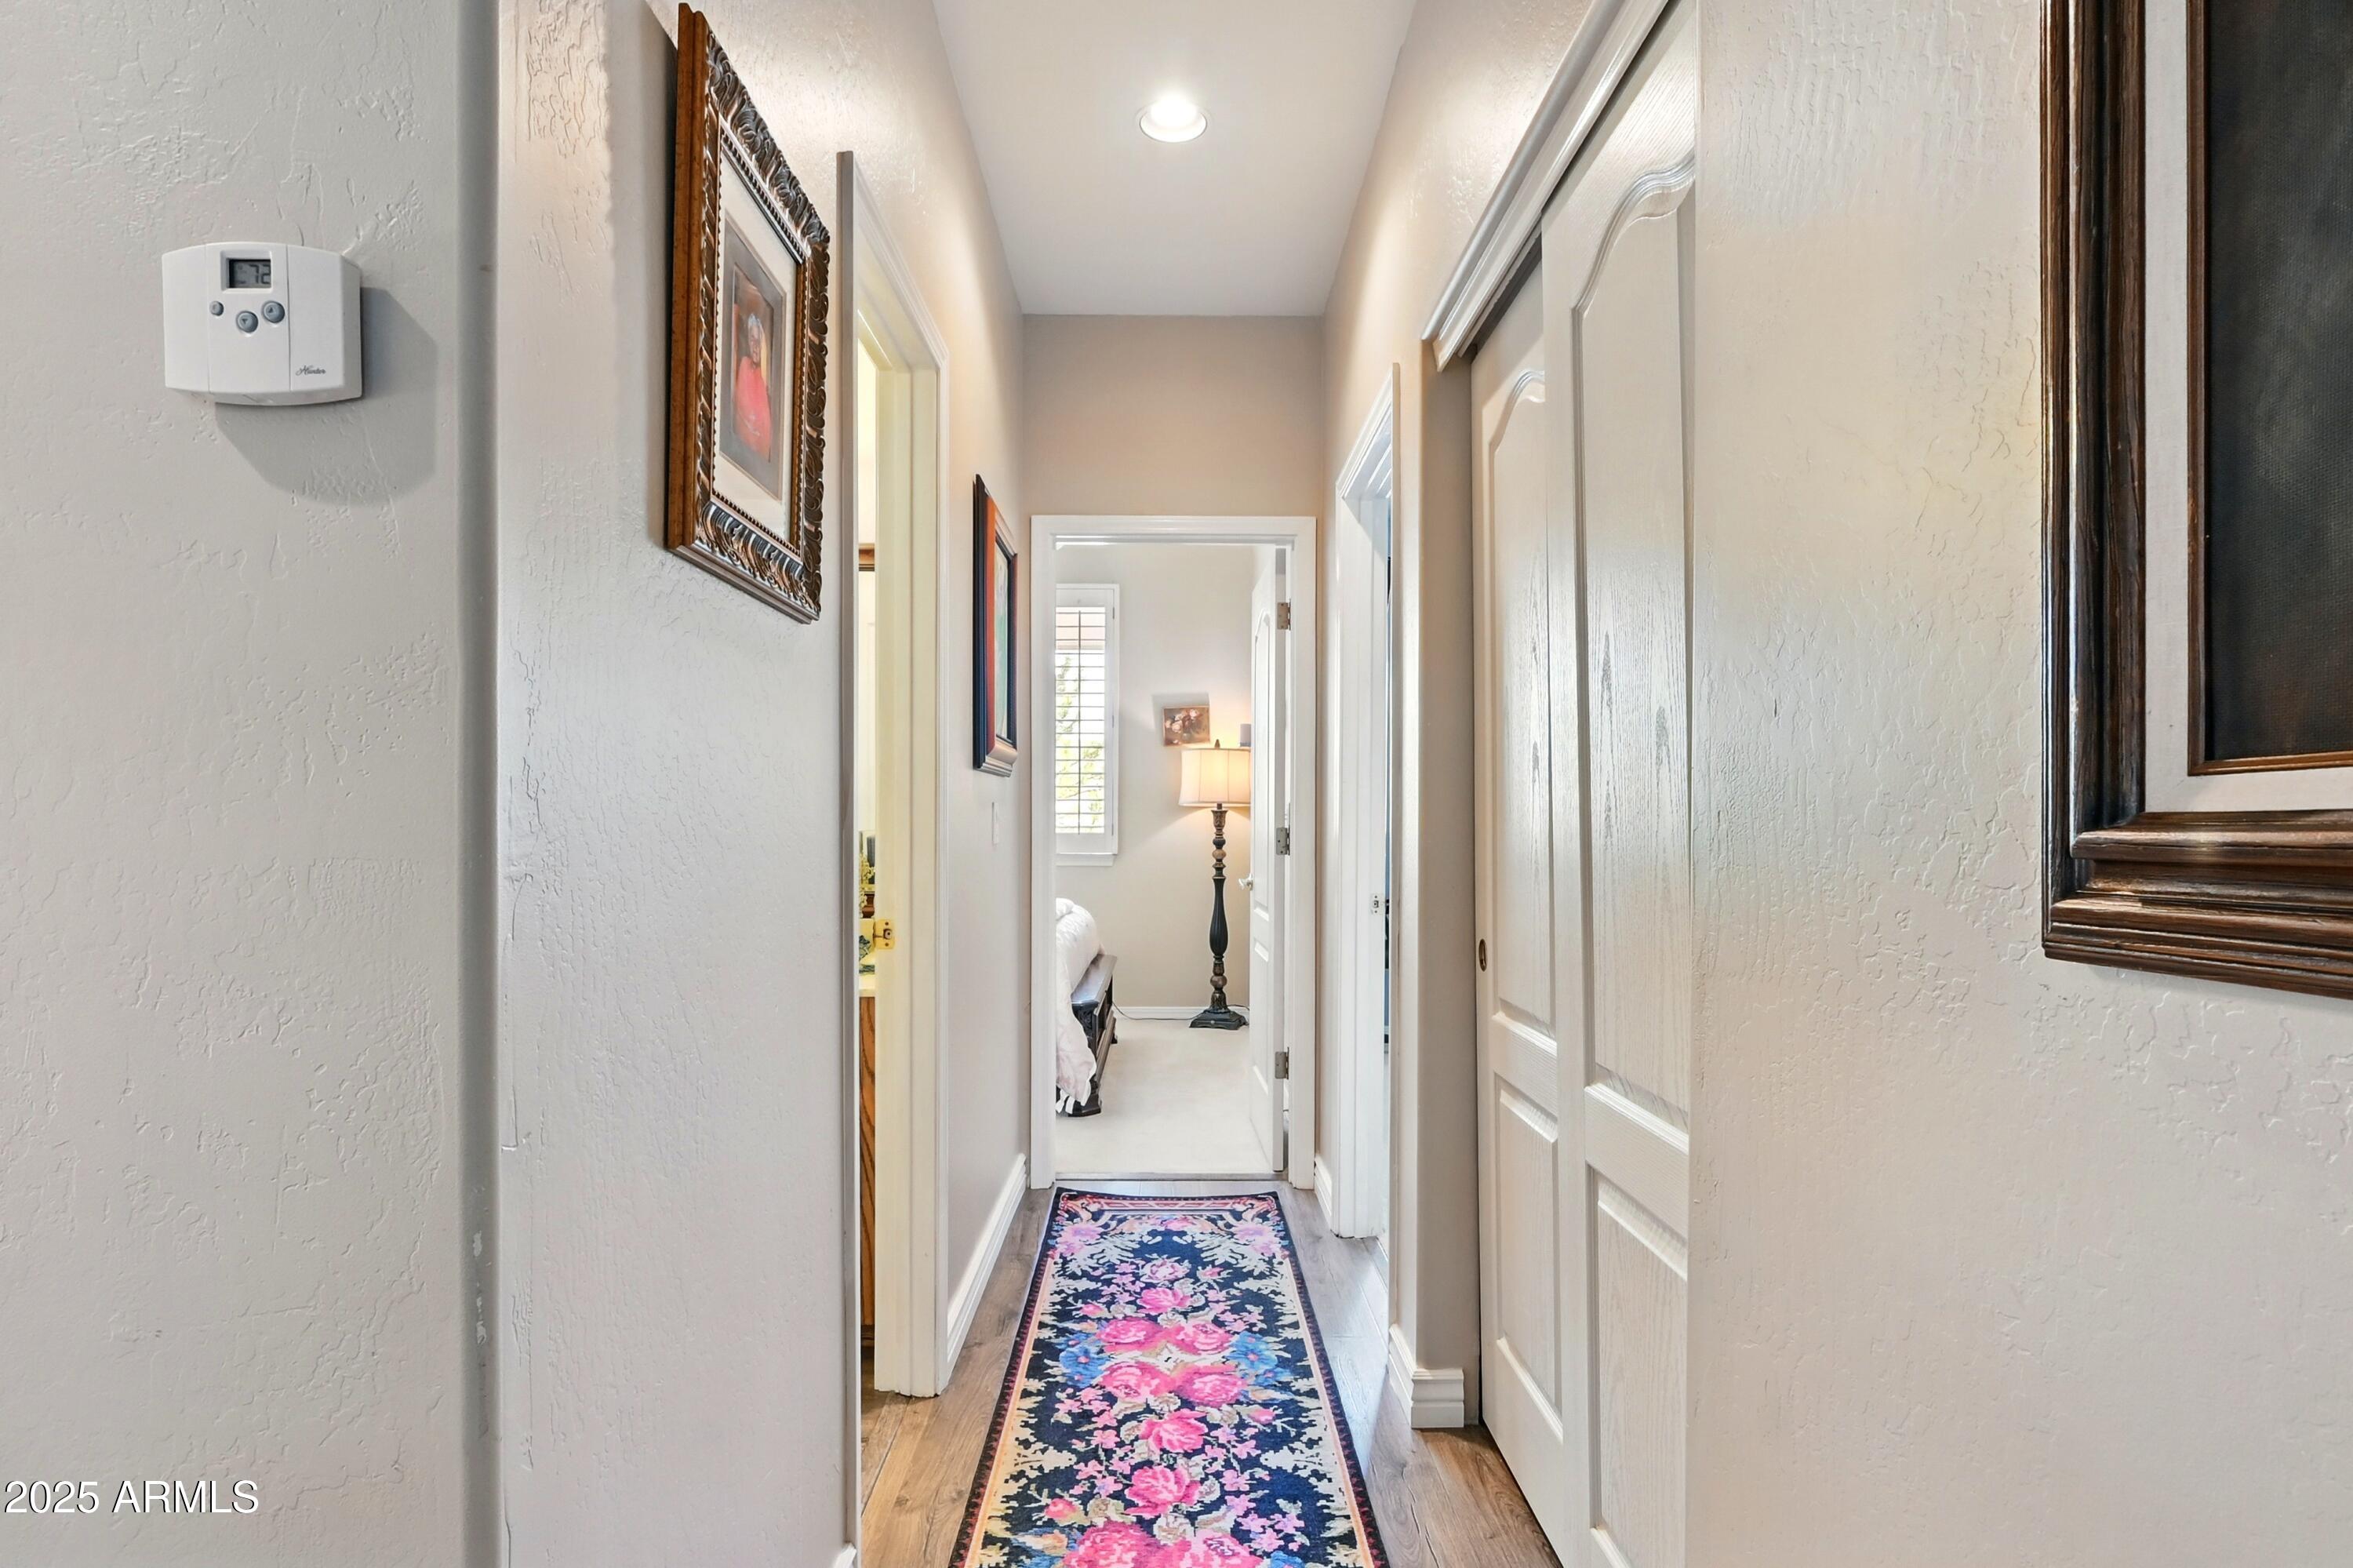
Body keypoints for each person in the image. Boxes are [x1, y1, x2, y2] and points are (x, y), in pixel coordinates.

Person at [732, 304, 773, 463]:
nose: (755, 347)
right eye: (752, 340)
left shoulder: (763, 381)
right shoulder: (744, 366)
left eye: (758, 341)